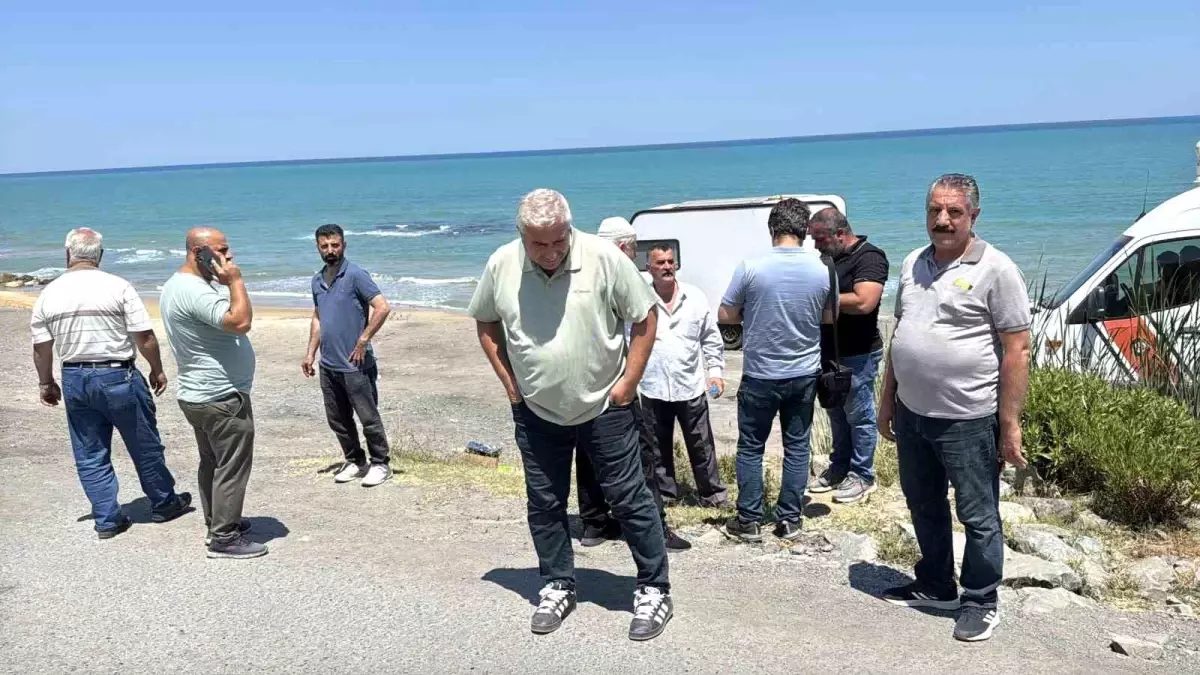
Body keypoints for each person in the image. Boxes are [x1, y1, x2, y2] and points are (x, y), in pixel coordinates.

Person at [469, 190, 673, 641]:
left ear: (569, 227)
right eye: (538, 243)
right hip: (536, 410)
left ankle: (654, 587)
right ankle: (558, 582)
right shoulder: (502, 264)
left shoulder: (604, 258)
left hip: (606, 407)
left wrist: (628, 384)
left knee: (629, 498)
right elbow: (485, 321)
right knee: (545, 502)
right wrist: (510, 385)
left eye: (558, 240)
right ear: (521, 234)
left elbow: (644, 318)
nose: (550, 252)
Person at [878, 173, 1031, 642]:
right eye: (934, 210)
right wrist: (886, 401)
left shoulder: (997, 269)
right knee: (922, 502)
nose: (942, 220)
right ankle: (936, 584)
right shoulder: (912, 262)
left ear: (973, 215)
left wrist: (1009, 423)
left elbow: (1018, 349)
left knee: (978, 514)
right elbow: (901, 335)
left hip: (968, 417)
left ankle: (981, 599)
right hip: (912, 412)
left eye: (954, 211)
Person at [30, 227, 192, 539]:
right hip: (118, 374)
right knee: (143, 443)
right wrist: (157, 369)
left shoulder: (49, 293)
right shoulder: (118, 286)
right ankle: (163, 502)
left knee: (90, 451)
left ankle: (107, 518)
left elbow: (41, 347)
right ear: (100, 255)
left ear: (68, 254)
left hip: (75, 376)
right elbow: (144, 336)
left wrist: (46, 383)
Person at [718, 198, 832, 542]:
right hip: (804, 371)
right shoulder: (822, 269)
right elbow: (830, 317)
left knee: (751, 447)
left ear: (772, 229)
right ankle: (790, 520)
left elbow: (726, 314)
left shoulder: (751, 266)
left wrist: (754, 312)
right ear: (804, 230)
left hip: (761, 372)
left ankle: (749, 520)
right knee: (797, 447)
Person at [577, 216, 691, 552]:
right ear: (624, 246)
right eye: (633, 248)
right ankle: (654, 526)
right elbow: (645, 321)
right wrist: (630, 381)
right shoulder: (618, 272)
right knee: (641, 454)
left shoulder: (580, 274)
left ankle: (594, 523)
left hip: (582, 381)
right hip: (616, 380)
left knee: (587, 451)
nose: (634, 256)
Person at [161, 227, 265, 559]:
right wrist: (235, 281)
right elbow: (240, 321)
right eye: (221, 250)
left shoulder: (180, 284)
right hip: (220, 396)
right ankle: (224, 537)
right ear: (198, 253)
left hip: (200, 394)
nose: (229, 256)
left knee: (213, 462)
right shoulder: (193, 290)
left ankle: (218, 520)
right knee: (232, 465)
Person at [301, 223, 393, 487]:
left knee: (368, 417)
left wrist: (363, 340)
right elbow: (318, 318)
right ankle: (355, 461)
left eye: (335, 245)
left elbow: (382, 307)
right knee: (338, 419)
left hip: (355, 363)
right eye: (325, 246)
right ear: (318, 247)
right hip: (329, 364)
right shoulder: (317, 281)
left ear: (344, 245)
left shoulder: (355, 275)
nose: (330, 250)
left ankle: (380, 463)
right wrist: (310, 353)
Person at [807, 208, 889, 504]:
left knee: (859, 415)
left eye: (820, 238)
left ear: (840, 234)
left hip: (859, 352)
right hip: (829, 350)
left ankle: (863, 475)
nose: (816, 245)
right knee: (836, 413)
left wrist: (816, 299)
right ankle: (840, 466)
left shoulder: (869, 257)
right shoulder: (829, 258)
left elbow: (865, 301)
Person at [639, 242, 729, 507]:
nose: (667, 267)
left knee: (702, 444)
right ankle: (666, 496)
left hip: (689, 385)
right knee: (657, 447)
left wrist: (715, 372)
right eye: (660, 263)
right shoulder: (640, 298)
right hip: (653, 386)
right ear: (649, 267)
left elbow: (710, 337)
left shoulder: (695, 297)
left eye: (670, 262)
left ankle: (712, 495)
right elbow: (628, 338)